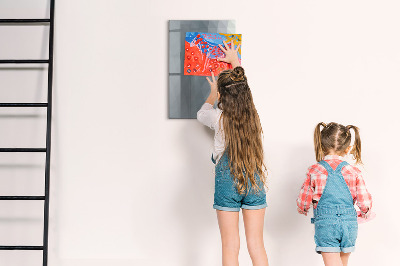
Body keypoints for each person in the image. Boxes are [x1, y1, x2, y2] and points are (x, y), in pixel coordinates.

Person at [197, 40, 269, 266]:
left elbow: (201, 113)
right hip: (254, 178)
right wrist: (235, 62)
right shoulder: (252, 116)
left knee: (230, 245)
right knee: (256, 244)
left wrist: (212, 94)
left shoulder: (218, 117)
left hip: (227, 182)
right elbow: (242, 87)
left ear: (222, 95)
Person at [297, 122, 373, 266]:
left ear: (321, 145)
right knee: (343, 262)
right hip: (349, 224)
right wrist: (365, 212)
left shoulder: (315, 170)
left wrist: (303, 208)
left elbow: (304, 198)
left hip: (326, 224)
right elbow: (364, 200)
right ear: (348, 149)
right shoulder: (353, 172)